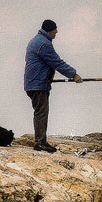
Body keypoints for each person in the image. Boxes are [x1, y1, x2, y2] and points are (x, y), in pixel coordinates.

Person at [24, 19, 82, 153]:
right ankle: (40, 142)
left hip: (35, 82)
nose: (57, 32)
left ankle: (42, 141)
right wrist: (74, 75)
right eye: (55, 30)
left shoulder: (37, 40)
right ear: (50, 30)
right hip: (38, 84)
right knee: (41, 113)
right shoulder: (43, 44)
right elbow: (57, 62)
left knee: (40, 112)